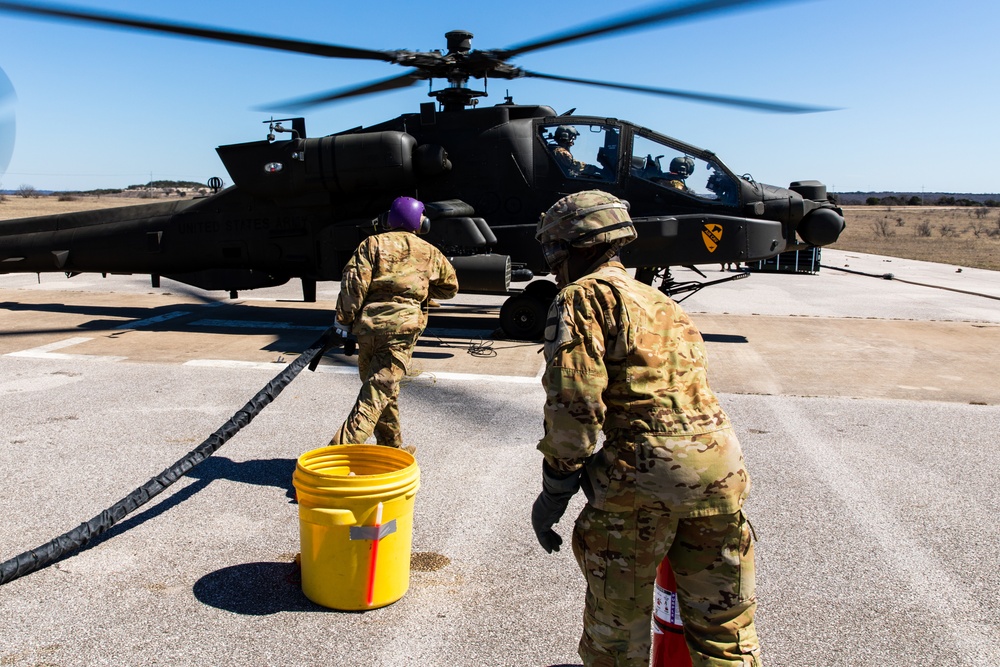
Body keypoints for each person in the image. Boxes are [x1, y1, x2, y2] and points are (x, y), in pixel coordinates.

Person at [531, 190, 761, 666]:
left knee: (617, 639)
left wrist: (555, 489)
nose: (553, 268)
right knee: (724, 631)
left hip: (641, 483)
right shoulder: (662, 303)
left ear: (576, 247)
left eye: (555, 253)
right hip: (720, 472)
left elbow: (575, 406)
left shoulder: (580, 298)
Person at [331, 196, 459, 450]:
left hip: (368, 329)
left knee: (381, 389)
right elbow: (450, 287)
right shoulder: (429, 252)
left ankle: (392, 448)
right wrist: (420, 291)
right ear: (421, 223)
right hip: (401, 332)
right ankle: (334, 457)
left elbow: (353, 285)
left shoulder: (371, 244)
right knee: (376, 394)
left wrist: (343, 321)